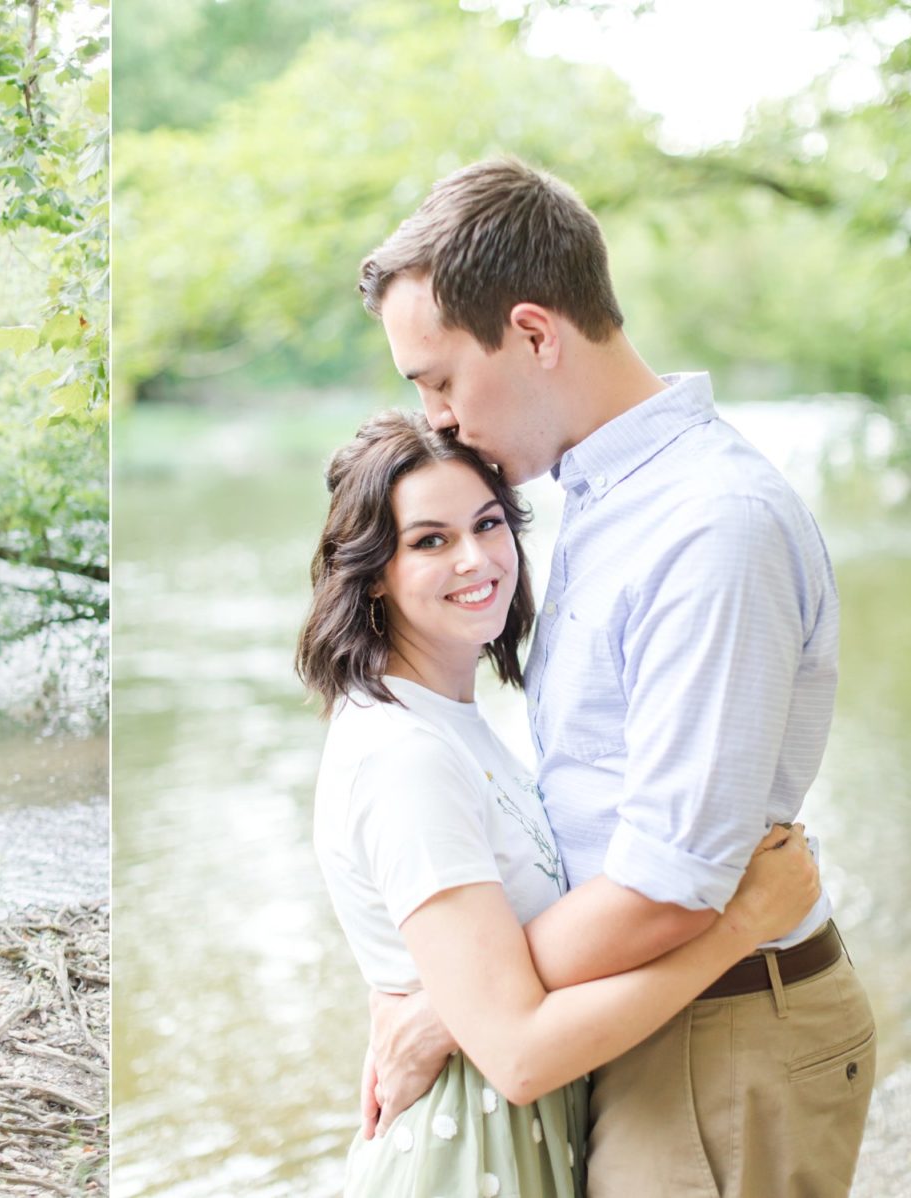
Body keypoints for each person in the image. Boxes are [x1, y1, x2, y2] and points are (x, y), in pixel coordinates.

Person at [349, 158, 874, 1197]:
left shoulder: (707, 527)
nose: (438, 417)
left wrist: (461, 1007)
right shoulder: (601, 492)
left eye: (440, 378)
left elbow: (668, 885)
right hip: (652, 1015)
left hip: (724, 1033)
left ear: (536, 334)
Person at [297, 410, 820, 1196]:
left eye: (487, 524)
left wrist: (436, 1008)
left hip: (510, 1141)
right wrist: (737, 923)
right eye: (430, 540)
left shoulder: (448, 724)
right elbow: (517, 1055)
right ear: (373, 570)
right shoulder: (403, 754)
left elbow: (477, 963)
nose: (476, 560)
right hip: (466, 1158)